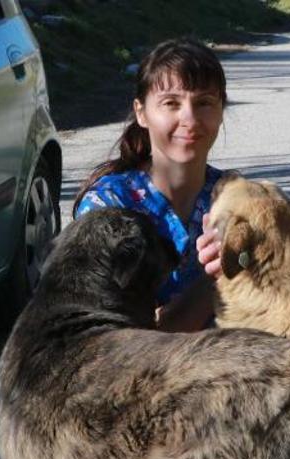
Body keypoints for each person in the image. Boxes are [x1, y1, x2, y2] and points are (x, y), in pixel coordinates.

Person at [74, 37, 224, 332]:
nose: (190, 119)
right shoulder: (107, 209)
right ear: (141, 112)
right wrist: (222, 279)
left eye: (204, 102)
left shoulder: (235, 195)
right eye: (171, 103)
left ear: (221, 110)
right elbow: (116, 341)